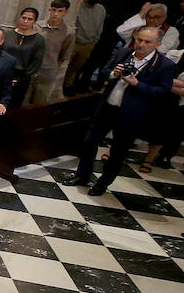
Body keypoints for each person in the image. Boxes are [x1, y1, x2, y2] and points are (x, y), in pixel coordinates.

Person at [73, 27, 177, 195]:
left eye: (147, 42)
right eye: (139, 40)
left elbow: (162, 92)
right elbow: (105, 70)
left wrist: (137, 84)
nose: (141, 44)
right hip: (107, 106)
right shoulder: (123, 53)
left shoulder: (164, 65)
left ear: (157, 44)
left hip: (131, 114)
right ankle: (82, 176)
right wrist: (114, 73)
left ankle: (102, 184)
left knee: (118, 151)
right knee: (89, 142)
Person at [4, 6, 47, 109]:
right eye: (23, 18)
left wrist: (19, 79)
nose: (25, 21)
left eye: (29, 19)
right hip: (3, 72)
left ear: (34, 21)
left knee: (12, 105)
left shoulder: (39, 39)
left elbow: (36, 62)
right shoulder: (8, 34)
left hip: (21, 77)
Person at [66, 0, 107, 94]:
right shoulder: (77, 7)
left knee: (76, 67)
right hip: (75, 42)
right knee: (65, 65)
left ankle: (68, 85)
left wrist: (94, 41)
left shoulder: (101, 9)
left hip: (89, 43)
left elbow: (100, 26)